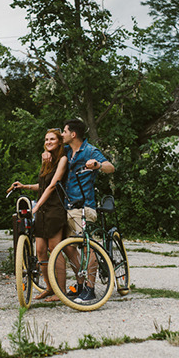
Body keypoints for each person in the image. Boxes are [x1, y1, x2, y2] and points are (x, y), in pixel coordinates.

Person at [44, 118, 115, 304]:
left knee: (86, 246)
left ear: (73, 134)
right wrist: (46, 153)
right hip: (67, 207)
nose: (62, 136)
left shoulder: (90, 151)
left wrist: (97, 165)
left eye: (65, 132)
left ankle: (90, 289)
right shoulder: (67, 151)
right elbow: (53, 149)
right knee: (67, 247)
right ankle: (80, 284)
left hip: (84, 207)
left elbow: (110, 167)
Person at [8, 128, 68, 301]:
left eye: (52, 139)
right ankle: (50, 288)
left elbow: (52, 186)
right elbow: (41, 185)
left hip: (54, 209)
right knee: (41, 251)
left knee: (54, 250)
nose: (48, 142)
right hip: (42, 210)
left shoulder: (62, 160)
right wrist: (25, 186)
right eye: (46, 139)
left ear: (59, 142)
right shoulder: (46, 161)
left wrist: (36, 205)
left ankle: (61, 291)